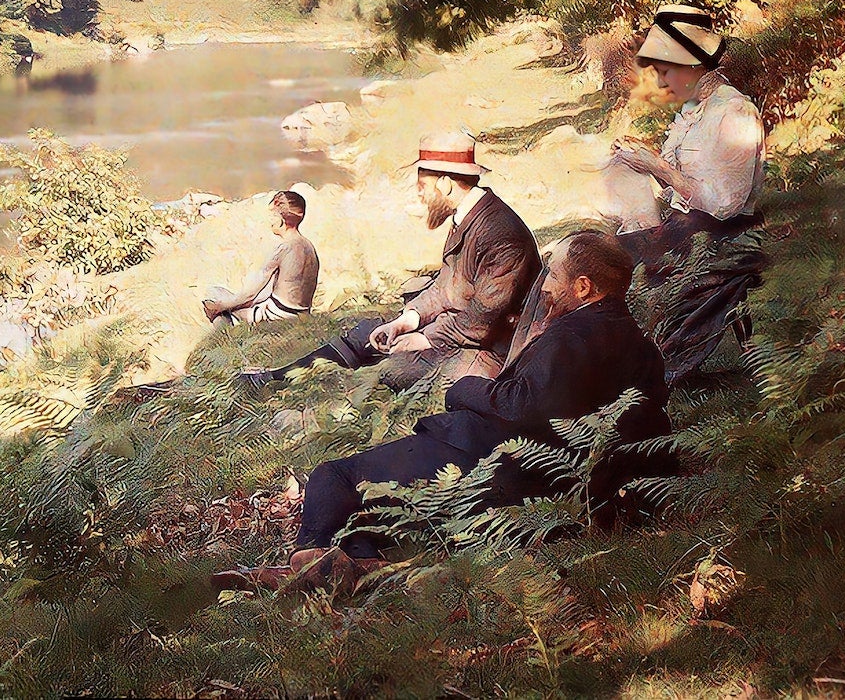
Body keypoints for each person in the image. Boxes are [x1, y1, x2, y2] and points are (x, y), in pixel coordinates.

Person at [228, 231, 669, 591]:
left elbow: (522, 406)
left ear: (584, 287)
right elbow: (648, 429)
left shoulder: (570, 335)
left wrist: (465, 389)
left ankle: (305, 564)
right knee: (369, 511)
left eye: (552, 276)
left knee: (332, 475)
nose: (546, 285)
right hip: (556, 482)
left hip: (492, 458)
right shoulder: (644, 351)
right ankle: (363, 565)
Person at [240, 133, 539, 391]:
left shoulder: (502, 235)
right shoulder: (469, 217)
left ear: (446, 185)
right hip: (461, 331)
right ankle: (275, 380)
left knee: (392, 367)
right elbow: (444, 288)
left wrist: (423, 339)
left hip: (492, 351)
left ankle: (301, 388)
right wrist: (406, 321)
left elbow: (483, 321)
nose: (420, 195)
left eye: (423, 185)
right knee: (369, 332)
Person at [609, 3, 766, 272]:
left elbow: (724, 206)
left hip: (722, 246)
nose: (659, 83)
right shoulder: (693, 109)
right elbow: (681, 187)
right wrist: (642, 161)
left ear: (692, 65)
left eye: (664, 71)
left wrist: (658, 167)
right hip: (688, 234)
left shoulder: (735, 111)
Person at [202, 190, 320, 327]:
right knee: (234, 303)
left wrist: (219, 307)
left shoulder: (283, 248)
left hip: (278, 317)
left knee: (215, 295)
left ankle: (227, 334)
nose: (269, 220)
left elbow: (250, 294)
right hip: (302, 315)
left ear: (281, 219)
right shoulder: (309, 246)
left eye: (272, 215)